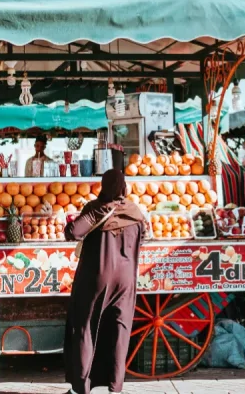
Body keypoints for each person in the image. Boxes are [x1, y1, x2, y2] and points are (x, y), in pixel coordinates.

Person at [63, 169, 146, 394]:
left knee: (86, 326)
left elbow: (73, 232)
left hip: (97, 276)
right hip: (127, 278)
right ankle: (114, 387)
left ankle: (81, 387)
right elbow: (143, 237)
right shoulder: (136, 211)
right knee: (120, 328)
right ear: (124, 187)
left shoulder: (96, 208)